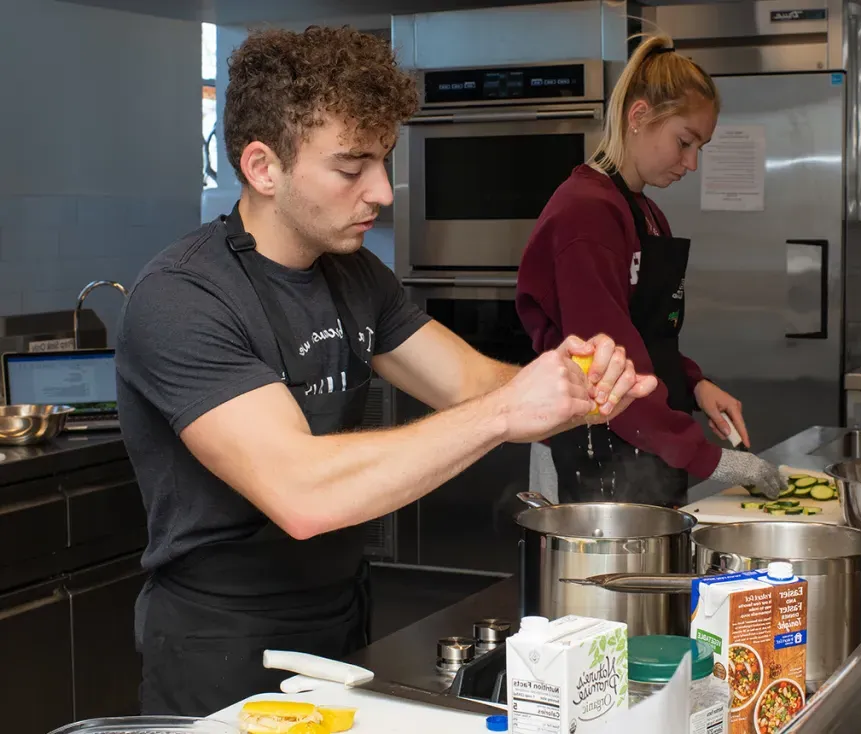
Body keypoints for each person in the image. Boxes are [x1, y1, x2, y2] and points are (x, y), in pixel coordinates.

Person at [115, 26, 657, 717]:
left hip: (341, 613)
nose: (382, 192)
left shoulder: (352, 272)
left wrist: (576, 385)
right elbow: (302, 493)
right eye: (351, 167)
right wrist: (506, 414)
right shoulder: (184, 298)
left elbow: (469, 383)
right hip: (219, 639)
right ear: (263, 167)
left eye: (385, 160)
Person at [516, 34, 787, 508]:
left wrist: (694, 383)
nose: (692, 163)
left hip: (643, 441)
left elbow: (642, 334)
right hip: (590, 447)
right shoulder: (585, 214)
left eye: (700, 147)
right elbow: (606, 366)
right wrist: (714, 460)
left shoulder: (643, 211)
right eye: (685, 142)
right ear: (639, 117)